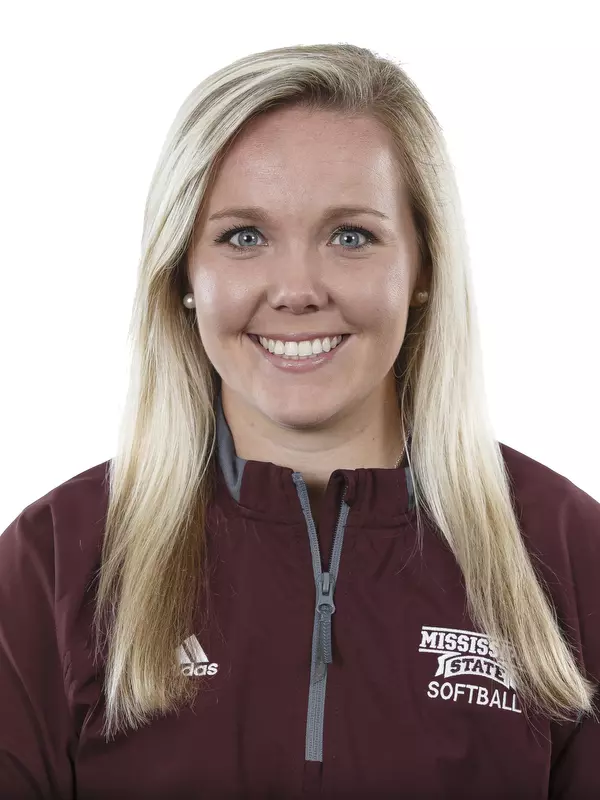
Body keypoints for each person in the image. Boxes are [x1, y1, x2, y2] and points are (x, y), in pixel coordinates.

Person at [1, 41, 599, 800]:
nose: (296, 289)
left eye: (351, 236)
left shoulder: (569, 552)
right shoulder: (51, 565)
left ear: (423, 268)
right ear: (184, 272)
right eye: (243, 237)